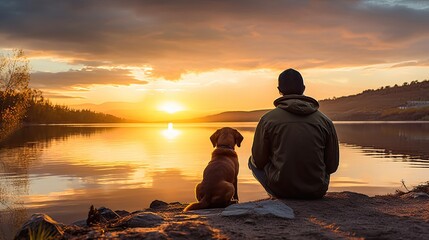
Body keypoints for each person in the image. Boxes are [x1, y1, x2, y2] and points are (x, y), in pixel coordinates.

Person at [249, 68, 339, 199]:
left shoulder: (267, 120)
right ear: (303, 88)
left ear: (279, 89)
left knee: (251, 161)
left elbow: (258, 161)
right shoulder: (325, 121)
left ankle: (275, 198)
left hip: (281, 190)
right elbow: (332, 166)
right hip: (316, 190)